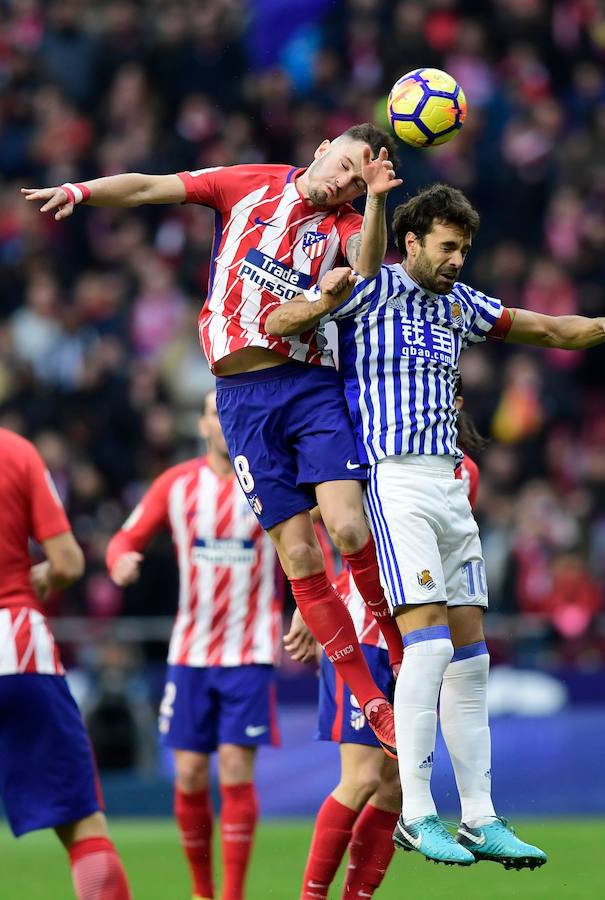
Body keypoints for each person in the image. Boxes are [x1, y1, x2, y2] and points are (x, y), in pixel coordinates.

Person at [265, 182, 605, 867]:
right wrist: (354, 248)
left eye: (464, 249)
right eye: (447, 247)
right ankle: (417, 812)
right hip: (394, 480)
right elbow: (292, 316)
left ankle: (479, 816)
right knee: (426, 648)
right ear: (411, 241)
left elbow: (541, 327)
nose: (456, 260)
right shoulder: (369, 291)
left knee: (470, 653)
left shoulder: (460, 304)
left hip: (449, 483)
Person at [23, 124, 405, 756]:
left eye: (354, 179)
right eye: (342, 166)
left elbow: (365, 269)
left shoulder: (343, 221)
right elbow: (149, 187)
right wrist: (81, 191)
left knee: (348, 529)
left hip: (308, 384)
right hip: (242, 401)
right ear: (320, 150)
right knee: (300, 559)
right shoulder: (249, 184)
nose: (341, 181)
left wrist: (375, 200)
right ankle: (371, 699)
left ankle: (396, 647)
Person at [289, 403, 482, 900]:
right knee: (360, 778)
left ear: (453, 405)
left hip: (419, 644)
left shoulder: (464, 473)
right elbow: (313, 515)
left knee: (397, 785)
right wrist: (312, 598)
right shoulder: (374, 453)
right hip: (364, 635)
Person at [106, 392, 280, 900]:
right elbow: (124, 538)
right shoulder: (177, 485)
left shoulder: (269, 481)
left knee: (233, 766)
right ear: (203, 425)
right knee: (187, 772)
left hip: (249, 651)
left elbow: (311, 548)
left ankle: (232, 895)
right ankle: (202, 891)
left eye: (231, 413)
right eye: (214, 415)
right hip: (191, 653)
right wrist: (121, 562)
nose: (225, 423)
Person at [0, 427, 132, 900]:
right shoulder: (14, 452)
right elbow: (69, 561)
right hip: (17, 651)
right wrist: (42, 575)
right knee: (84, 827)